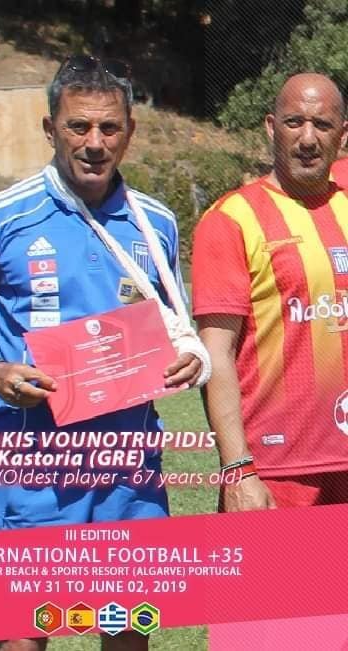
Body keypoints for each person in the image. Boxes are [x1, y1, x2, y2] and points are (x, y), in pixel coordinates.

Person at [0, 55, 209, 651]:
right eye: (79, 126)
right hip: (32, 461)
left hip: (129, 462)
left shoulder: (155, 222)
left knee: (128, 626)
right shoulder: (1, 216)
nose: (95, 143)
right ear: (50, 129)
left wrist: (188, 358)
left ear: (129, 131)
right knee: (23, 631)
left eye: (109, 128)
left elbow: (176, 328)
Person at [192, 72, 348, 513]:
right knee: (278, 565)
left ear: (342, 135)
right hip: (277, 471)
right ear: (270, 127)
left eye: (322, 125)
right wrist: (238, 469)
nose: (308, 139)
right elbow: (216, 354)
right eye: (294, 122)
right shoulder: (231, 219)